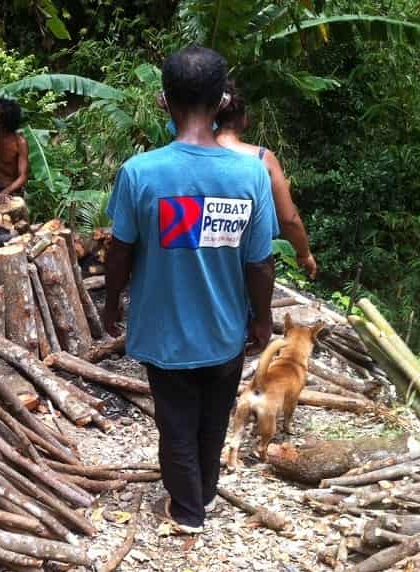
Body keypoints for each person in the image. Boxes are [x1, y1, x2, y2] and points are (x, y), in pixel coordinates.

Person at [103, 45, 276, 533]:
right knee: (214, 415)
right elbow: (260, 263)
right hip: (226, 327)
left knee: (176, 419)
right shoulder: (250, 174)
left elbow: (120, 250)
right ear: (223, 101)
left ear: (164, 100)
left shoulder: (140, 173)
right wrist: (261, 318)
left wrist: (112, 303)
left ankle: (186, 509)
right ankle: (205, 492)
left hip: (164, 330)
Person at [159, 84, 318, 278]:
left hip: (184, 266)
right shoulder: (261, 159)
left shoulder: (187, 154)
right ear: (243, 118)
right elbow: (289, 219)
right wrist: (304, 253)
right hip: (239, 271)